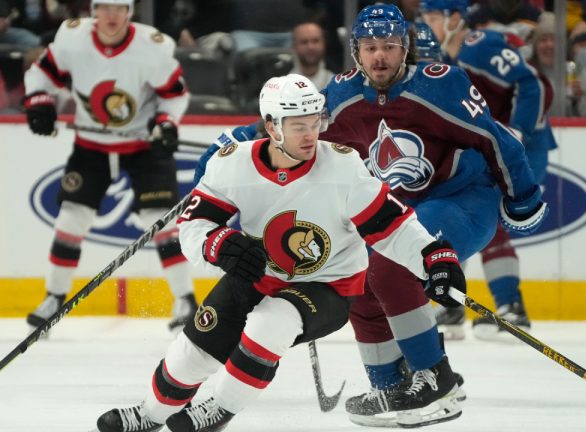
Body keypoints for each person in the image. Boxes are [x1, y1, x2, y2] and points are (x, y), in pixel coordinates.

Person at [192, 5, 546, 427]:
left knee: (389, 264)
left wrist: (522, 200)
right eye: (371, 47)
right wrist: (241, 141)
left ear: (405, 49)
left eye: (390, 47)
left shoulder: (440, 85)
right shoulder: (344, 94)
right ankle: (388, 385)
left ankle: (435, 379)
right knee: (359, 272)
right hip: (406, 208)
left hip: (462, 199)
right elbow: (300, 121)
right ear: (357, 50)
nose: (381, 56)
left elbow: (497, 138)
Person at [94, 73, 468, 432]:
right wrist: (218, 244)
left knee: (271, 322)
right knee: (193, 352)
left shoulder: (343, 166)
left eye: (315, 121)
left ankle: (220, 408)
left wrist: (433, 257)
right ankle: (150, 414)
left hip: (330, 286)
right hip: (259, 274)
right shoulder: (232, 163)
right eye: (298, 125)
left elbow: (392, 226)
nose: (311, 134)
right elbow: (195, 227)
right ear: (272, 127)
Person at [22, 0, 197, 332]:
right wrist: (40, 101)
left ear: (129, 11)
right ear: (93, 10)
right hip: (92, 147)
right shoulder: (72, 40)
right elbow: (41, 74)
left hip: (144, 145)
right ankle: (53, 297)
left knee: (158, 220)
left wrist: (167, 123)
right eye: (104, 7)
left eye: (119, 8)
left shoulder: (151, 47)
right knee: (72, 217)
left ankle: (186, 300)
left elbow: (174, 93)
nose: (112, 16)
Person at [421, 0, 556, 340]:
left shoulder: (477, 47)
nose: (425, 24)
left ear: (455, 18)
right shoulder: (445, 61)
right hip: (490, 152)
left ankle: (512, 305)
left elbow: (534, 84)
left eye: (432, 17)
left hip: (520, 151)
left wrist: (519, 132)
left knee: (486, 215)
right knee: (458, 212)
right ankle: (451, 302)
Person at [289, 21, 335, 89]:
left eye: (315, 41)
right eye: (304, 42)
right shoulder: (283, 85)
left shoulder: (336, 83)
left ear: (324, 44)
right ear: (294, 46)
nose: (310, 47)